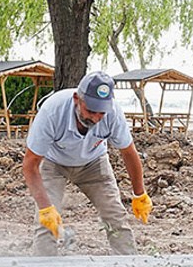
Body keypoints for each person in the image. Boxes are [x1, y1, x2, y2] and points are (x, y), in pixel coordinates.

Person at [23, 71, 152, 255]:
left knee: (115, 215)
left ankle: (129, 265)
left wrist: (140, 194)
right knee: (46, 223)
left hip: (93, 163)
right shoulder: (52, 112)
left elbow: (129, 152)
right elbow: (30, 164)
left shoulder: (113, 113)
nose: (96, 118)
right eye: (91, 111)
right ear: (77, 99)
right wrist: (45, 207)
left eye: (101, 112)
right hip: (55, 163)